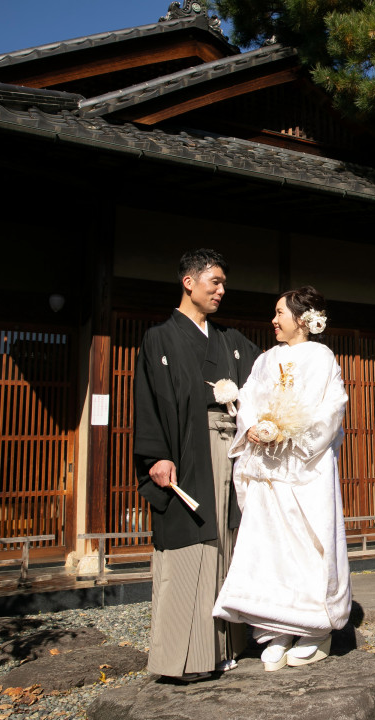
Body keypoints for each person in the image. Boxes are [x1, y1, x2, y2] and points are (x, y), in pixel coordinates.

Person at [133, 248, 261, 682]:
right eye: (215, 282)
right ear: (189, 282)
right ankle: (184, 659)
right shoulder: (159, 337)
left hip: (232, 449)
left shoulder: (230, 339)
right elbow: (148, 400)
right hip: (188, 450)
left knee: (226, 539)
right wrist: (156, 455)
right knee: (190, 542)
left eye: (223, 283)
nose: (222, 291)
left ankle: (226, 646)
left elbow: (265, 376)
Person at [213, 285, 351, 670]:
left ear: (302, 320)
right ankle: (275, 628)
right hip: (268, 467)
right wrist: (255, 426)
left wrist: (289, 431)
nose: (273, 321)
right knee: (268, 541)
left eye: (280, 313)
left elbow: (331, 408)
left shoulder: (322, 357)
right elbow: (251, 397)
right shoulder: (266, 358)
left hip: (306, 467)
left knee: (308, 541)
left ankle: (314, 627)